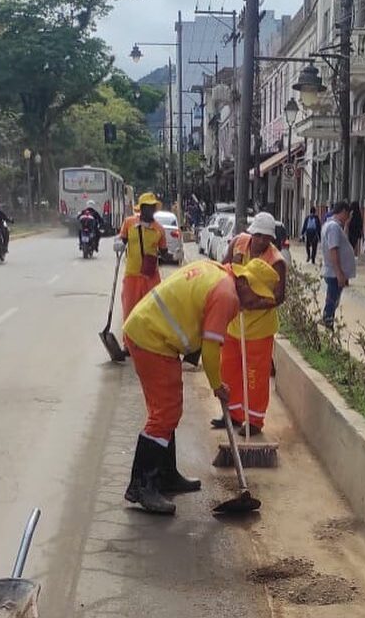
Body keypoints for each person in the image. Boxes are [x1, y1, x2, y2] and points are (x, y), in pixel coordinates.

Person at [122, 258, 279, 514]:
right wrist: (218, 386)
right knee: (164, 413)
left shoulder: (219, 273)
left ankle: (165, 475)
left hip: (152, 333)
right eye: (256, 296)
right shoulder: (227, 296)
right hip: (150, 337)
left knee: (167, 411)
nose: (255, 304)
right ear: (245, 283)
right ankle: (141, 486)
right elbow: (210, 349)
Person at [212, 212, 287, 434]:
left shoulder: (276, 261)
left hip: (259, 330)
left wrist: (252, 304)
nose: (263, 241)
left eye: (268, 237)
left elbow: (279, 296)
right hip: (234, 324)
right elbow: (223, 268)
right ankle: (233, 415)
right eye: (260, 236)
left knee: (255, 377)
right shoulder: (238, 243)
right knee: (229, 371)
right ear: (252, 233)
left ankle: (253, 421)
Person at [115, 193, 167, 325]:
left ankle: (148, 342)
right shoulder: (129, 223)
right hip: (132, 275)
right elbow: (123, 239)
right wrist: (119, 244)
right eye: (148, 207)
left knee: (151, 312)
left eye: (153, 207)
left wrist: (166, 255)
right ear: (142, 208)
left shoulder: (159, 229)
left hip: (151, 276)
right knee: (129, 311)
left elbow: (164, 250)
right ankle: (128, 344)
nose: (151, 210)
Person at [321, 201, 356, 327]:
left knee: (333, 301)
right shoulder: (333, 227)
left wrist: (346, 225)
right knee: (331, 301)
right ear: (343, 212)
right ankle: (327, 324)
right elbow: (333, 249)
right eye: (347, 215)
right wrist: (339, 273)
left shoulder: (333, 226)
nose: (348, 218)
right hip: (333, 273)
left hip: (333, 271)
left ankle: (328, 321)